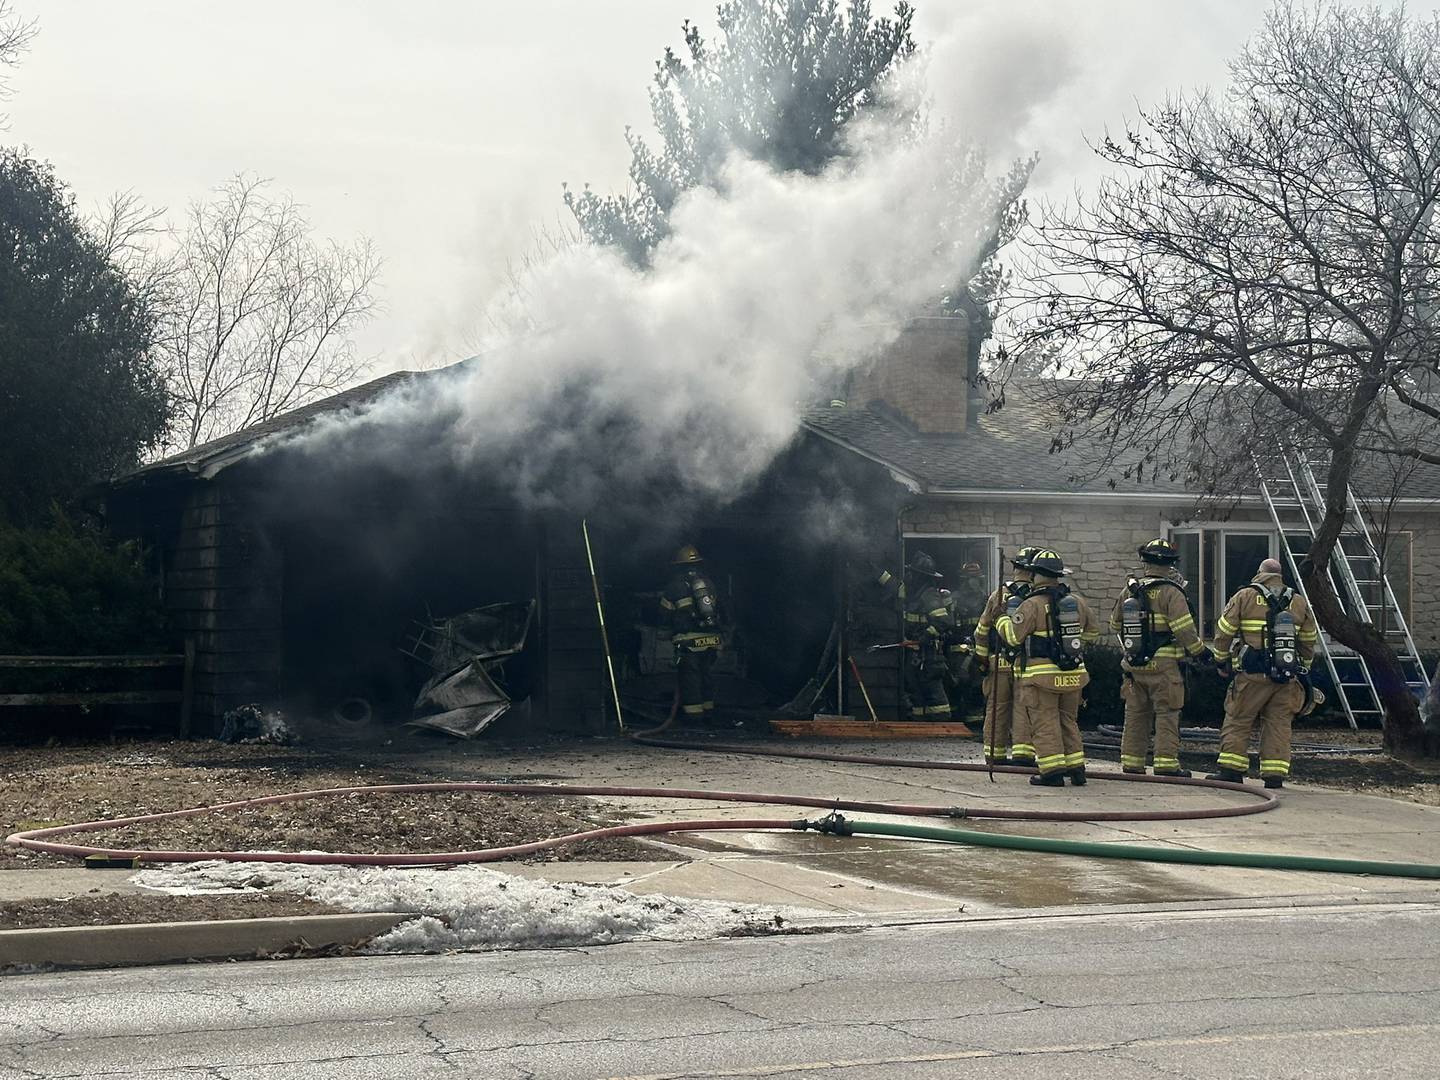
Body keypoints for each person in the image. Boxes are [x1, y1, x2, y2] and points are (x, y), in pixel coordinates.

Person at [1207, 557, 1318, 788]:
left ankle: (1231, 770)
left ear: (1260, 573)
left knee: (1238, 718)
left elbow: (1224, 631)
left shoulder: (1245, 596)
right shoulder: (1298, 602)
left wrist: (1221, 660)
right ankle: (1274, 776)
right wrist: (1303, 669)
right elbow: (1308, 641)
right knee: (1279, 724)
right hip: (1286, 676)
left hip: (1252, 675)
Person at [996, 550, 1101, 786]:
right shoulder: (1077, 602)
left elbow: (1013, 637)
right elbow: (1093, 632)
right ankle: (1076, 769)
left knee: (1045, 722)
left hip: (1041, 678)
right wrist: (1070, 647)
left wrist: (1001, 620)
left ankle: (1052, 772)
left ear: (1035, 575)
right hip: (1073, 676)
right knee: (1068, 721)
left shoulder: (1031, 604)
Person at [1109, 539, 1209, 777]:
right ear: (1170, 564)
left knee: (1135, 714)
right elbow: (1184, 630)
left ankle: (1133, 764)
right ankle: (1166, 765)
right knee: (1167, 713)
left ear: (1145, 562)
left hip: (1134, 667)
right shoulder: (1172, 592)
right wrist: (1201, 653)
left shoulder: (1130, 591)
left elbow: (1114, 624)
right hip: (1164, 667)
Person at [973, 547, 1040, 765]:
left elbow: (981, 631)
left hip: (998, 662)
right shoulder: (1038, 597)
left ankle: (995, 755)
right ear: (1033, 572)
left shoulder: (999, 594)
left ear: (1016, 569)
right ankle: (1023, 754)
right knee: (1024, 707)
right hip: (1026, 664)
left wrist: (982, 660)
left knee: (997, 709)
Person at [661, 544, 723, 723]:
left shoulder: (674, 587)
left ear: (678, 565)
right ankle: (709, 712)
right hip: (710, 640)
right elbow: (718, 609)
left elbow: (664, 615)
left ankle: (694, 718)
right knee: (707, 676)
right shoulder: (709, 585)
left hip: (687, 642)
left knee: (691, 679)